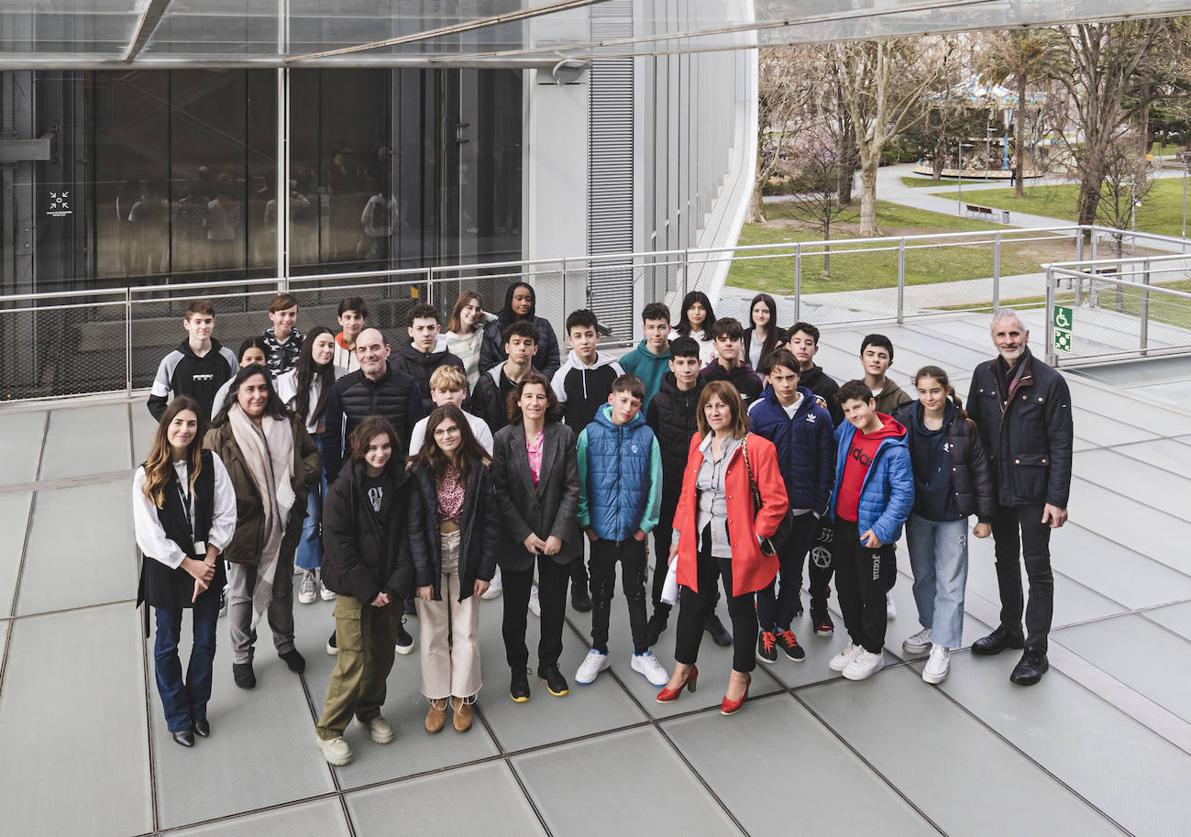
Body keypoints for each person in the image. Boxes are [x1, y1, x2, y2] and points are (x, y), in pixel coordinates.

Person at [658, 381, 788, 716]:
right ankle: (684, 667)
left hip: (737, 545)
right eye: (709, 406)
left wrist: (755, 538)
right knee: (691, 607)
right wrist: (676, 538)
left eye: (721, 406)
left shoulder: (756, 448)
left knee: (740, 609)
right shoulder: (697, 443)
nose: (715, 412)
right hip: (699, 540)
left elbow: (775, 502)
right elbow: (687, 496)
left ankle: (740, 675)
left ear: (734, 409)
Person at [966, 309, 1073, 686]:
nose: (1009, 341)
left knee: (1037, 568)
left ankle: (1036, 649)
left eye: (1015, 334)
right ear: (993, 338)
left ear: (1026, 336)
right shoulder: (983, 375)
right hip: (997, 489)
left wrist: (1057, 498)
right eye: (1002, 335)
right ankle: (1010, 627)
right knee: (1004, 560)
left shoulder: (1050, 381)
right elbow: (972, 434)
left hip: (1034, 492)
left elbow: (1062, 443)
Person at [204, 365, 320, 689]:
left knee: (282, 588)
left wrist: (299, 477)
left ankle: (285, 644)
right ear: (236, 394)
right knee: (241, 593)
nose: (257, 395)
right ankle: (242, 657)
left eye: (262, 388)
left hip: (284, 523)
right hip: (242, 528)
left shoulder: (289, 424)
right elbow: (208, 484)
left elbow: (312, 456)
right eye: (249, 389)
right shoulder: (219, 435)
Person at [133, 396, 237, 748]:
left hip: (206, 562)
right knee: (167, 645)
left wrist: (207, 563)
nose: (184, 429)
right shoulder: (146, 474)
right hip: (169, 568)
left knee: (205, 641)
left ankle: (197, 708)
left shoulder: (211, 463)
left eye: (191, 424)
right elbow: (149, 536)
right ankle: (177, 717)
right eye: (178, 423)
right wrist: (190, 566)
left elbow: (226, 513)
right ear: (167, 427)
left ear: (199, 428)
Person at [315, 416, 413, 766]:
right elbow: (338, 546)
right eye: (372, 447)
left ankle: (369, 711)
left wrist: (393, 586)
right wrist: (370, 590)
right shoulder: (343, 487)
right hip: (354, 589)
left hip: (390, 586)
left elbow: (407, 535)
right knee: (352, 658)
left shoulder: (401, 481)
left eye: (386, 446)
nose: (380, 453)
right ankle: (329, 729)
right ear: (360, 448)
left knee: (383, 655)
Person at [894, 366, 995, 684]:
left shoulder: (963, 426)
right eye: (922, 391)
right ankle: (931, 626)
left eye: (934, 391)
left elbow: (980, 471)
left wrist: (985, 517)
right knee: (923, 577)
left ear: (946, 389)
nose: (928, 398)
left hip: (952, 516)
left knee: (950, 582)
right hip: (919, 514)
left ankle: (943, 645)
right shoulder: (905, 419)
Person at [407, 405, 500, 734]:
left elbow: (490, 523)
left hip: (466, 551)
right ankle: (437, 698)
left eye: (452, 429)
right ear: (432, 435)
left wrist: (485, 571)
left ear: (463, 430)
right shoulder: (419, 469)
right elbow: (415, 526)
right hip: (433, 555)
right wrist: (421, 576)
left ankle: (462, 695)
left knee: (466, 630)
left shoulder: (480, 468)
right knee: (433, 630)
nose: (446, 436)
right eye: (440, 431)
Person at [574, 374, 668, 687]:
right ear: (612, 398)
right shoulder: (589, 435)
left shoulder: (647, 437)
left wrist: (644, 527)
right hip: (600, 534)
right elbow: (581, 482)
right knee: (600, 592)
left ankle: (642, 652)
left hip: (632, 535)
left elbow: (656, 484)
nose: (628, 408)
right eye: (623, 400)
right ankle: (598, 649)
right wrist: (586, 523)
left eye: (635, 403)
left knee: (636, 592)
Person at [493, 375, 582, 702]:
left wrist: (559, 532)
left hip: (557, 536)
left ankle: (549, 664)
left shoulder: (564, 435)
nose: (534, 402)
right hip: (518, 537)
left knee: (554, 605)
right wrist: (524, 533)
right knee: (514, 611)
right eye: (527, 396)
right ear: (518, 401)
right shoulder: (503, 439)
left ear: (549, 401)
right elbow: (500, 491)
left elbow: (572, 487)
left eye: (540, 397)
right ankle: (519, 669)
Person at [748, 349, 836, 664]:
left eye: (790, 377)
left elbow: (827, 461)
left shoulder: (819, 413)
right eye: (779, 377)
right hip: (769, 514)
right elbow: (749, 464)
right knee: (766, 575)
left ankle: (784, 626)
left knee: (793, 575)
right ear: (769, 378)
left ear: (799, 377)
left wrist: (818, 505)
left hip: (804, 512)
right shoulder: (757, 413)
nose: (785, 384)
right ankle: (766, 629)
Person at [644, 337, 731, 649]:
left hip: (706, 494)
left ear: (699, 363)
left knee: (708, 558)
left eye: (691, 362)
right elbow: (651, 447)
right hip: (670, 494)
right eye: (680, 362)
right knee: (667, 552)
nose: (686, 368)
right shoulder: (658, 402)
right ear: (671, 365)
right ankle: (660, 612)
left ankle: (708, 612)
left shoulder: (710, 397)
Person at [826, 381, 914, 682]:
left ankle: (874, 650)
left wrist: (882, 530)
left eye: (858, 407)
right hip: (843, 525)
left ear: (872, 404)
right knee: (846, 588)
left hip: (871, 534)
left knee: (871, 593)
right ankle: (857, 640)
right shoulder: (848, 431)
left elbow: (903, 496)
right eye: (847, 410)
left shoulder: (892, 447)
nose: (853, 415)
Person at [551, 308, 623, 613]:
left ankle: (599, 582)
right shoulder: (561, 375)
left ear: (598, 336)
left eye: (589, 335)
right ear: (569, 340)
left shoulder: (614, 371)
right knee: (577, 527)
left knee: (602, 527)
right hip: (575, 462)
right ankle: (578, 585)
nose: (585, 341)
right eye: (578, 336)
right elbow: (556, 420)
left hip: (608, 461)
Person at [408, 365, 499, 600]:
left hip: (468, 521)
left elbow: (488, 471)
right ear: (433, 395)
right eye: (442, 390)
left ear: (465, 393)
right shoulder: (422, 427)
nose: (449, 396)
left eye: (454, 390)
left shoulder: (477, 426)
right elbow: (415, 471)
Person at [276, 327, 345, 606]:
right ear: (310, 347)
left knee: (331, 510)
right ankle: (309, 572)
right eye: (322, 344)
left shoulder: (339, 376)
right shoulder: (288, 380)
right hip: (301, 449)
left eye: (331, 345)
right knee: (309, 514)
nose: (327, 350)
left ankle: (329, 571)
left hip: (329, 446)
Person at [148, 299, 238, 422]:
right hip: (187, 435)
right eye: (198, 322)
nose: (204, 326)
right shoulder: (171, 361)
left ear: (214, 322)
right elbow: (155, 403)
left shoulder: (228, 357)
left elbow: (239, 395)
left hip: (220, 434)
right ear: (186, 324)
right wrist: (176, 423)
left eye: (208, 321)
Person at [479, 282, 561, 380]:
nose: (524, 303)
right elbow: (485, 365)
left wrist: (537, 381)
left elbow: (553, 362)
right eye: (519, 298)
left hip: (536, 388)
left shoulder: (544, 325)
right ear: (510, 300)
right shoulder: (493, 328)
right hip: (501, 387)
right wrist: (508, 378)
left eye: (528, 299)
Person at [394, 303, 466, 412]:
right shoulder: (398, 364)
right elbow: (398, 402)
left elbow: (465, 398)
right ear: (410, 331)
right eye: (420, 328)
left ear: (438, 329)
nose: (426, 333)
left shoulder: (454, 362)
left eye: (430, 328)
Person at [471, 321, 538, 435]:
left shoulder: (540, 385)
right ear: (507, 348)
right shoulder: (487, 383)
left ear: (535, 349)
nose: (522, 348)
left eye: (527, 343)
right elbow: (477, 424)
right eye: (516, 343)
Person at [618, 302, 673, 409]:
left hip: (669, 423)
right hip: (637, 423)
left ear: (669, 328)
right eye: (651, 327)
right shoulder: (627, 362)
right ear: (644, 329)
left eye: (661, 327)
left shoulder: (679, 360)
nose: (656, 333)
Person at [786, 322, 842, 426]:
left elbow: (837, 425)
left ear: (816, 349)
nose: (803, 347)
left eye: (808, 343)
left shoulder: (829, 387)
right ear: (788, 346)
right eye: (797, 342)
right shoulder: (779, 381)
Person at [699, 318, 763, 407]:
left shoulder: (753, 380)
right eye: (723, 339)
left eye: (733, 339)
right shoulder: (703, 377)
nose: (728, 343)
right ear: (715, 345)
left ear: (741, 343)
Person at [444, 291, 495, 390]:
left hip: (483, 394)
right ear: (459, 308)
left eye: (477, 309)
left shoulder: (481, 332)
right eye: (469, 307)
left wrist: (483, 315)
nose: (473, 313)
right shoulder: (447, 340)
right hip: (461, 395)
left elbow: (498, 324)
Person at [211, 337, 270, 413]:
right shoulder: (227, 389)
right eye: (248, 359)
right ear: (241, 362)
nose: (253, 363)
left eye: (258, 359)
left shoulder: (275, 386)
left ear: (266, 361)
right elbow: (216, 419)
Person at [860, 334, 912, 416]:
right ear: (861, 359)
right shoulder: (850, 393)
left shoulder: (901, 399)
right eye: (870, 354)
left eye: (882, 356)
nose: (876, 360)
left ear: (889, 363)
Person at [669, 291, 717, 365]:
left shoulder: (717, 337)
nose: (697, 312)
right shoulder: (673, 337)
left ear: (707, 311)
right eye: (692, 308)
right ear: (685, 311)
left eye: (701, 308)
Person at [262, 292, 303, 375]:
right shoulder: (262, 342)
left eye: (292, 314)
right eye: (282, 314)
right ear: (271, 316)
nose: (287, 319)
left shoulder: (303, 342)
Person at [743, 293, 786, 372]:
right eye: (756, 311)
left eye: (765, 311)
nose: (760, 315)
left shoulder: (782, 336)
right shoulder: (744, 335)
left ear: (772, 314)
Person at [332, 297, 368, 372]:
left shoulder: (371, 348)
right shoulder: (331, 347)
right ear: (340, 320)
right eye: (347, 318)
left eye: (357, 317)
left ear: (364, 320)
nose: (352, 323)